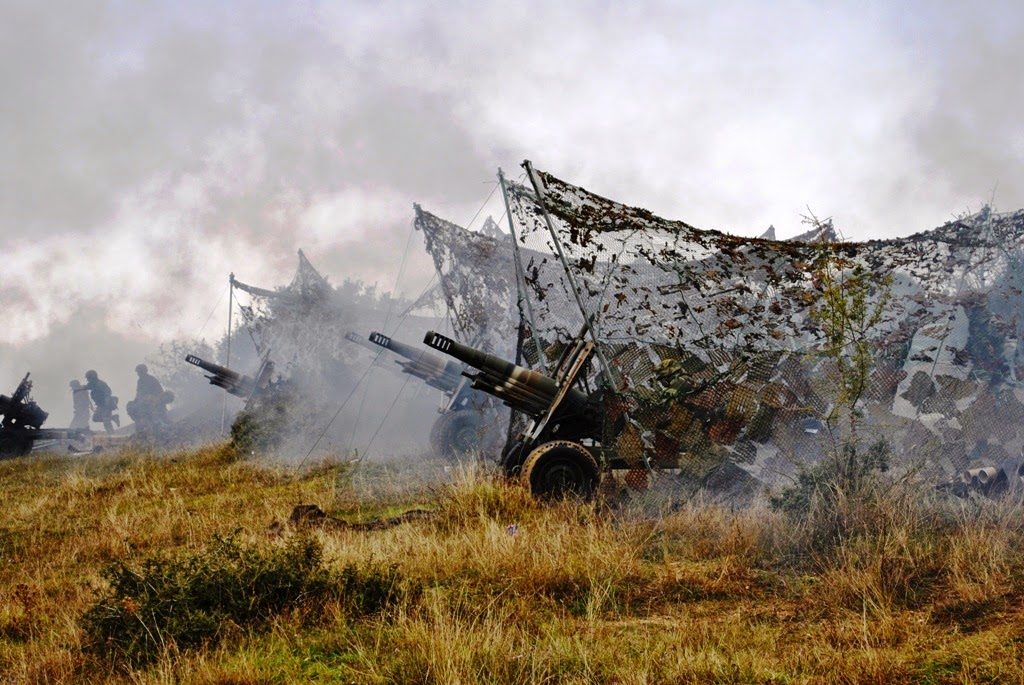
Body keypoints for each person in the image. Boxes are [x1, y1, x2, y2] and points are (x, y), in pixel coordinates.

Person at [126, 363, 172, 433]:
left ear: (143, 371)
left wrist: (153, 399)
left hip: (155, 403)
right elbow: (139, 393)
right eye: (138, 372)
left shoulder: (152, 380)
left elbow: (159, 392)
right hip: (145, 404)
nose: (138, 374)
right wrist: (136, 401)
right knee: (135, 410)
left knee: (162, 420)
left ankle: (168, 428)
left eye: (139, 372)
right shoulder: (140, 381)